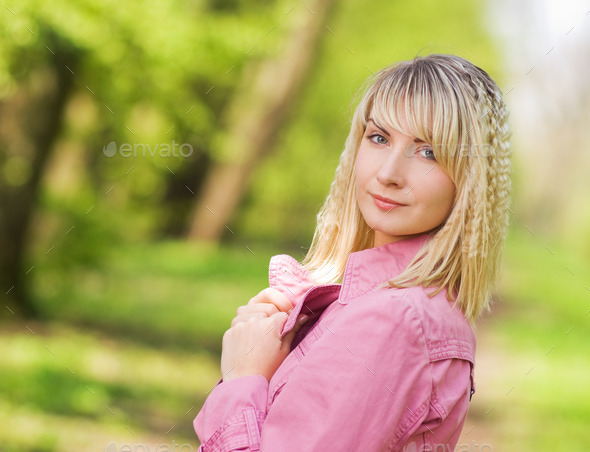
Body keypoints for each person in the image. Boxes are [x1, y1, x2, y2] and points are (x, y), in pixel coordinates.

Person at [193, 54, 511, 451]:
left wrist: (245, 376)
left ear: (468, 180)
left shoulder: (395, 320)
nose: (389, 173)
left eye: (428, 151)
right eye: (379, 138)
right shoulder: (401, 307)